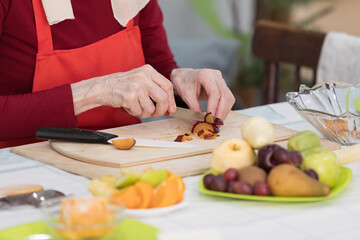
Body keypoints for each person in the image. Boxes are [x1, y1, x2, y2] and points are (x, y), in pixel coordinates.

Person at [0, 0, 235, 148]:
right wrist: (96, 91)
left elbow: (158, 65)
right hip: (26, 161)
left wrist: (179, 79)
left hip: (121, 153)